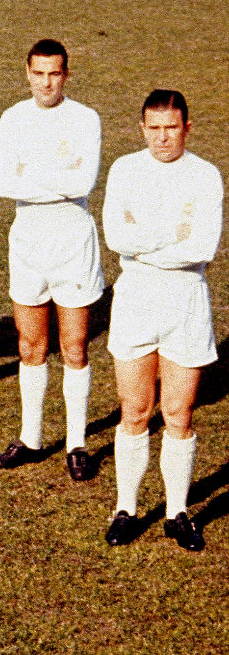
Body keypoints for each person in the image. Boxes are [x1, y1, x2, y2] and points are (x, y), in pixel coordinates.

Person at [102, 90, 221, 552]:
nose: (162, 136)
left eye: (171, 127)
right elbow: (116, 237)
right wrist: (171, 231)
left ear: (187, 128)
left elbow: (201, 248)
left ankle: (177, 512)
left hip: (186, 302)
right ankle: (126, 508)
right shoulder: (125, 170)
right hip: (136, 300)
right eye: (153, 127)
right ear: (142, 128)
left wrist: (144, 237)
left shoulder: (205, 175)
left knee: (178, 412)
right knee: (134, 410)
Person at [0, 40, 103, 480]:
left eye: (54, 73)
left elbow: (84, 180)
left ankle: (76, 442)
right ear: (27, 72)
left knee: (74, 347)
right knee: (31, 346)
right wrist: (58, 176)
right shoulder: (13, 118)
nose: (46, 82)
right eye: (38, 73)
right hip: (28, 243)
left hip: (73, 242)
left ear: (66, 75)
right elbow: (2, 183)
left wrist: (30, 175)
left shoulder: (85, 118)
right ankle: (32, 437)